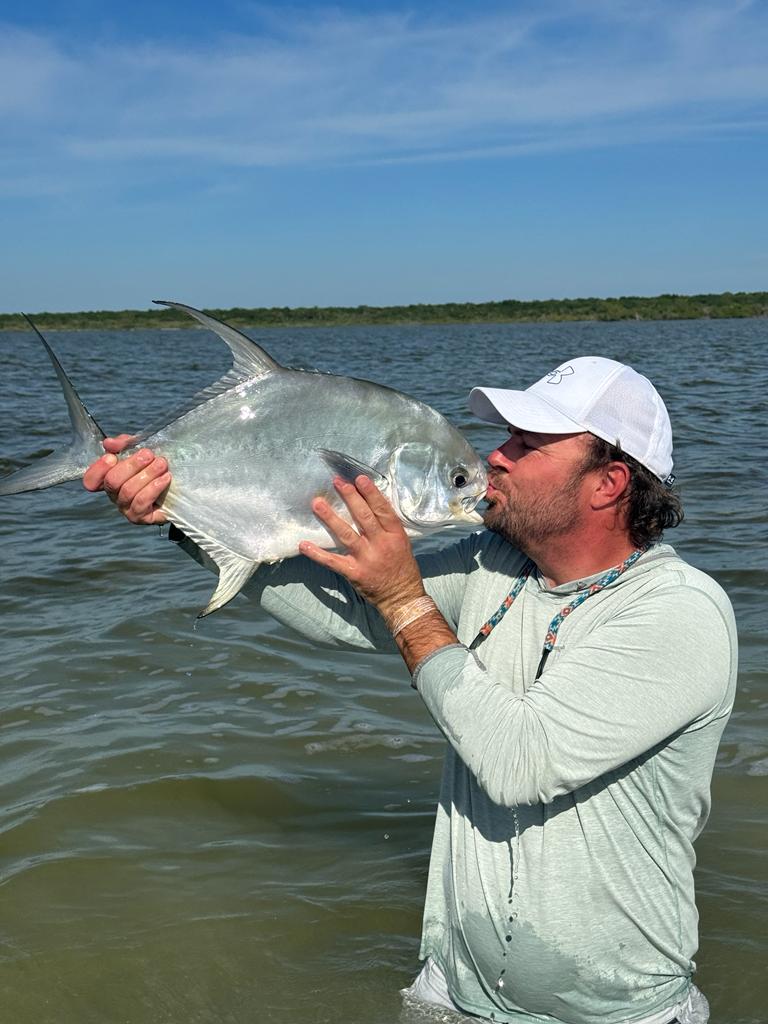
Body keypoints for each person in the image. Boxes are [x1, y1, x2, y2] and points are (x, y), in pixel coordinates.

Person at [83, 356, 736, 1024]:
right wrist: (186, 514)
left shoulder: (679, 613)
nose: (495, 457)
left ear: (609, 483)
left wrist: (403, 596)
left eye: (526, 445)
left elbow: (521, 762)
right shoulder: (496, 564)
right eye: (504, 437)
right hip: (452, 995)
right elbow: (355, 614)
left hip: (618, 1012)